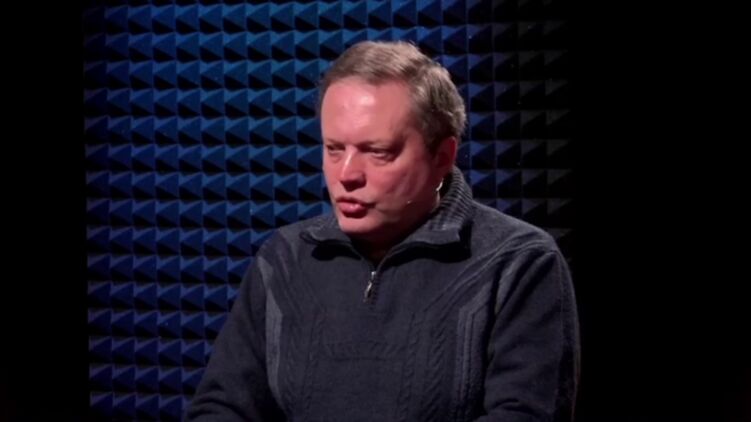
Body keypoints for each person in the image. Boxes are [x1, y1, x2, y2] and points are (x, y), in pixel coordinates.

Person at [186, 40, 580, 422]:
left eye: (377, 152)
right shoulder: (284, 258)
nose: (346, 175)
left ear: (442, 156)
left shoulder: (518, 263)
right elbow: (222, 407)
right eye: (334, 149)